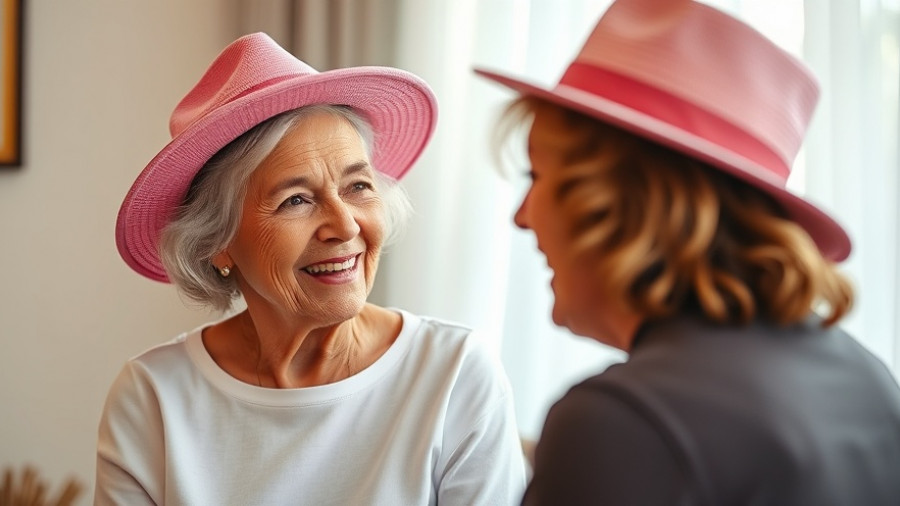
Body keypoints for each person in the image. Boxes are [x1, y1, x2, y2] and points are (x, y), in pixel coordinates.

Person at [475, 0, 900, 504]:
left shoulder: (624, 421)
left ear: (616, 199)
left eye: (536, 176)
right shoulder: (866, 380)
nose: (521, 216)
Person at [95, 32, 526, 505]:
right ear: (217, 243)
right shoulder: (153, 398)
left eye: (358, 186)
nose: (344, 226)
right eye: (295, 200)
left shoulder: (454, 375)